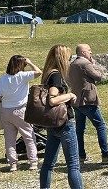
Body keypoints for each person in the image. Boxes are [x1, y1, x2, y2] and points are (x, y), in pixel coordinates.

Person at [40, 45, 83, 189]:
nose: (70, 61)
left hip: (53, 124)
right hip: (65, 123)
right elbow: (52, 99)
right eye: (69, 58)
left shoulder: (47, 74)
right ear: (63, 59)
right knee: (73, 165)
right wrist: (70, 95)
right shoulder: (56, 75)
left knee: (48, 164)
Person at [68, 43, 108, 165]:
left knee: (80, 129)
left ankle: (81, 155)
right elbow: (98, 76)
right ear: (83, 52)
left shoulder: (72, 64)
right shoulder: (85, 63)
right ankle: (106, 155)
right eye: (89, 50)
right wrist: (93, 64)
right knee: (101, 126)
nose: (91, 52)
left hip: (76, 101)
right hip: (88, 100)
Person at [0, 55, 42, 172]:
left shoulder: (1, 79)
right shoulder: (22, 76)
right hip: (20, 110)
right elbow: (38, 72)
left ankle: (13, 164)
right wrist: (30, 62)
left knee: (9, 139)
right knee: (29, 136)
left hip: (5, 111)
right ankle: (33, 162)